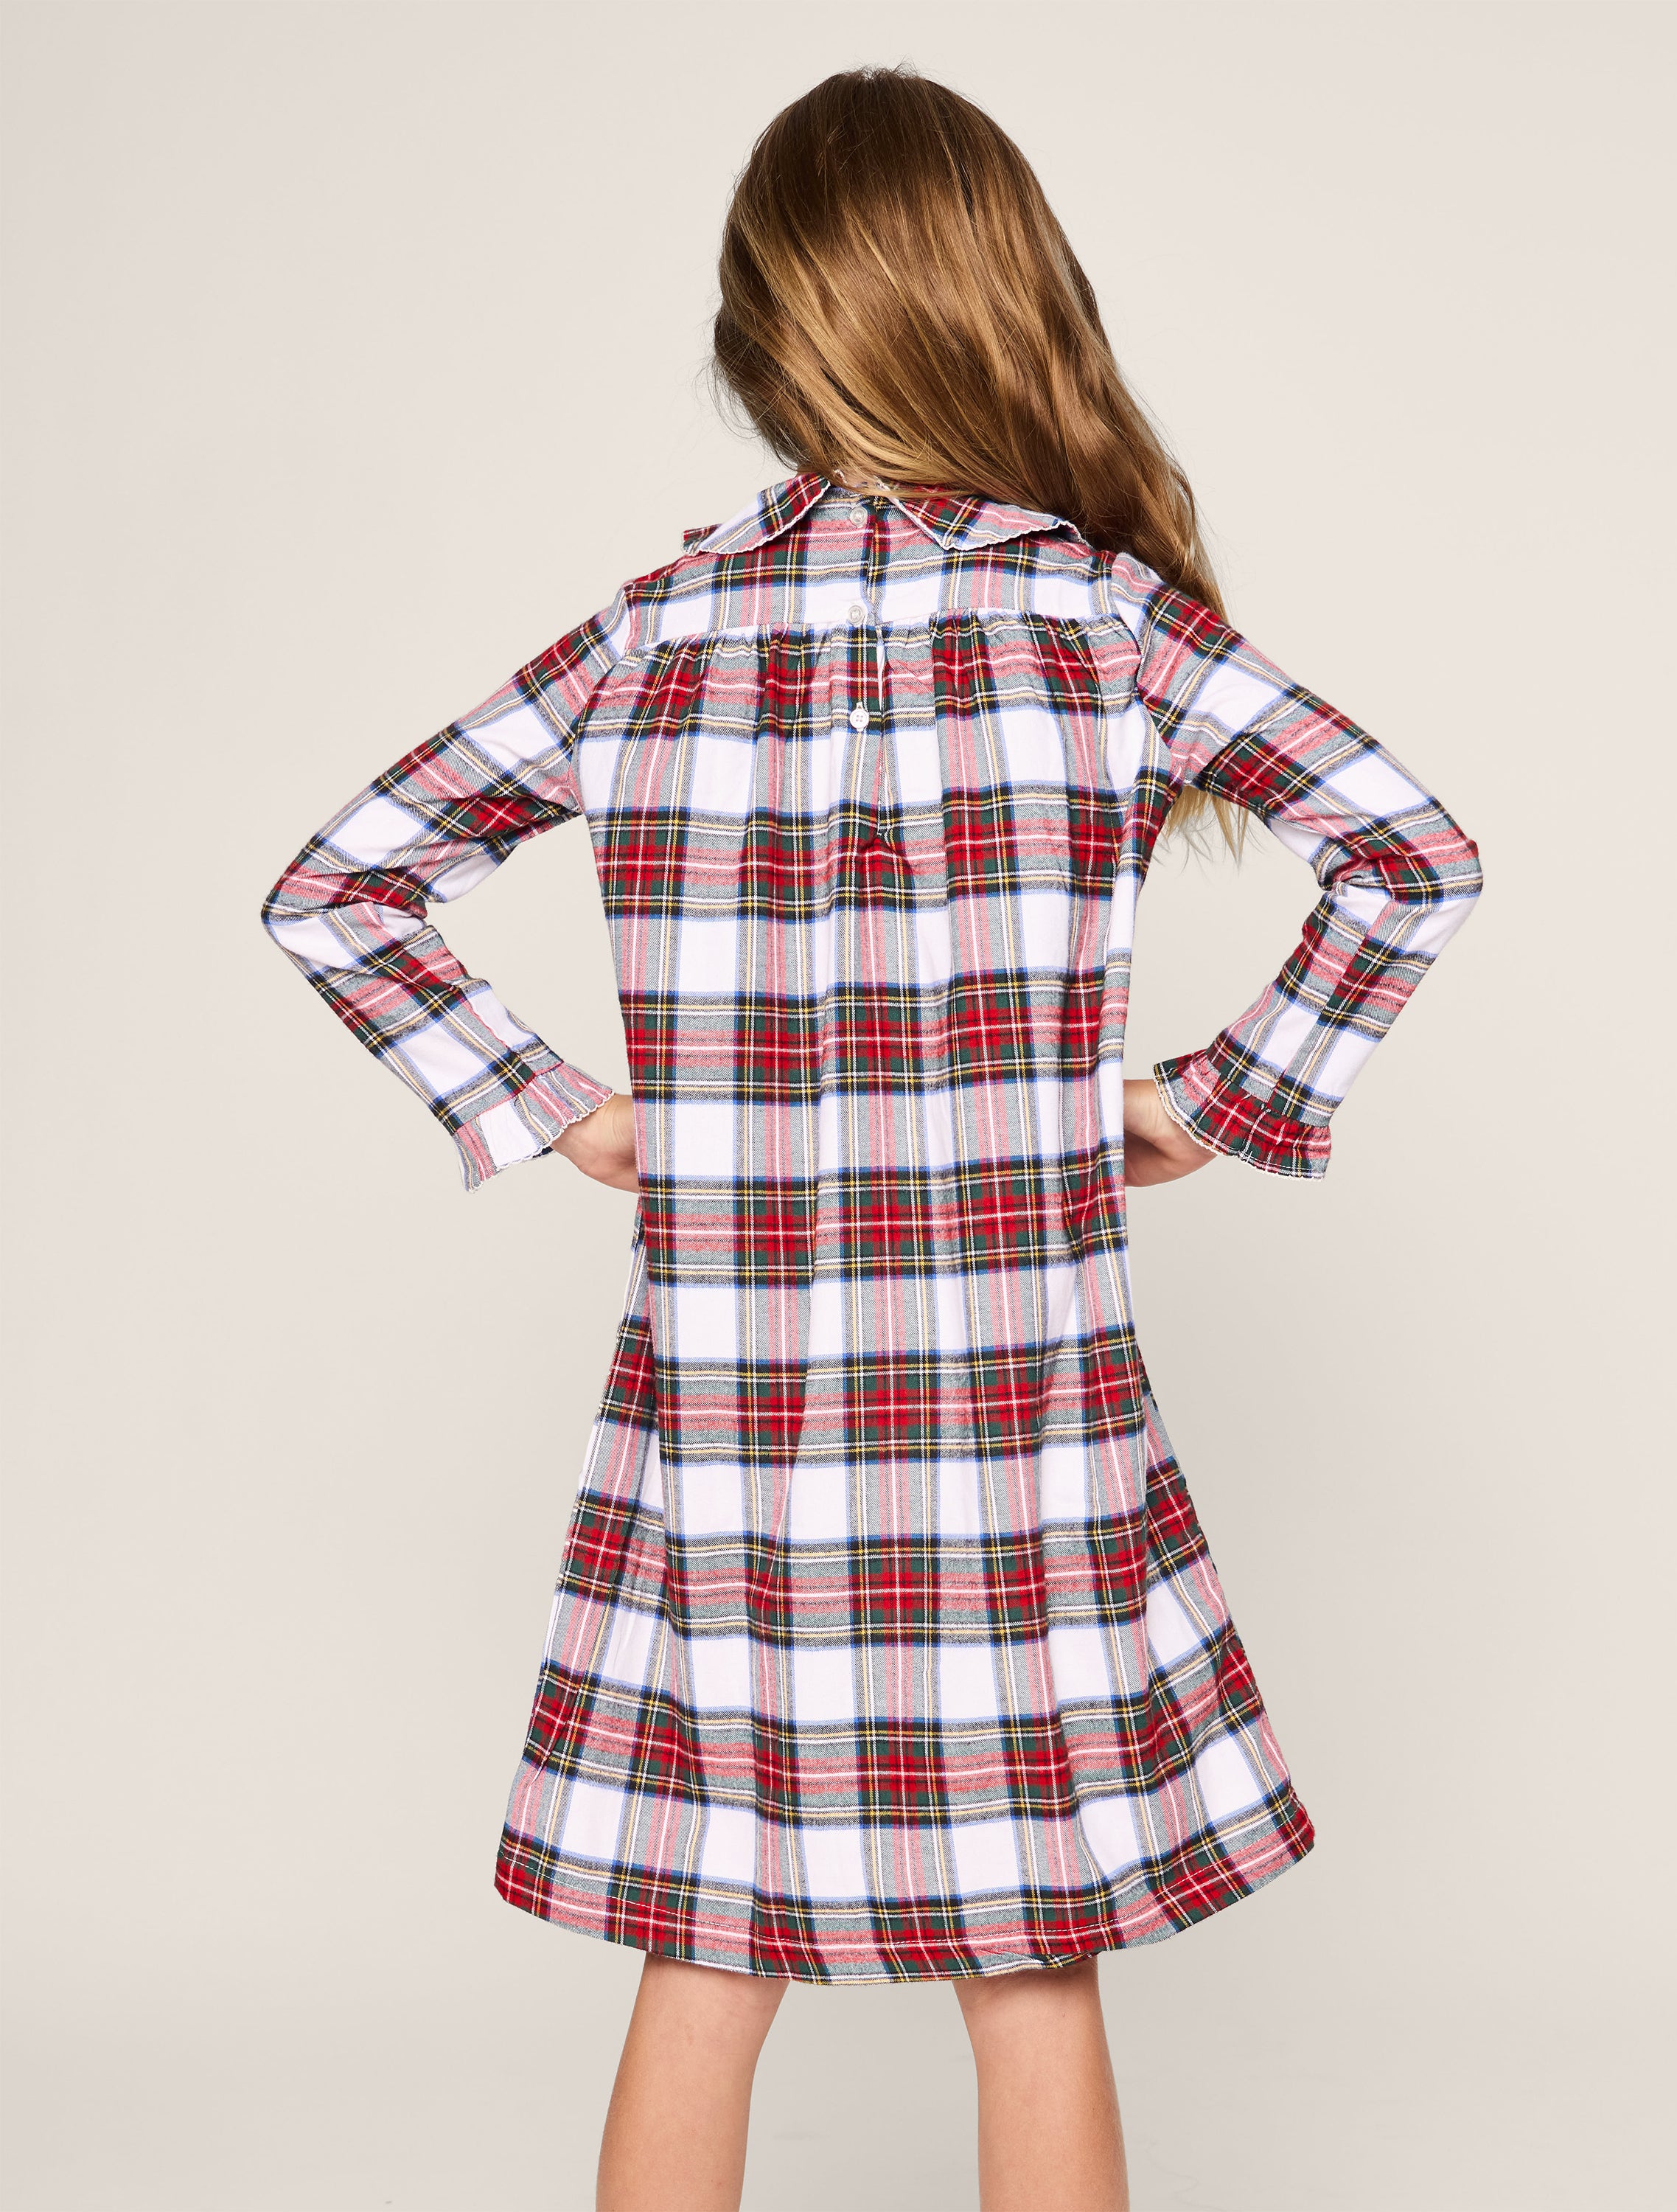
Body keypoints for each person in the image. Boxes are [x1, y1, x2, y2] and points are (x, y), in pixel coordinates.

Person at [261, 64, 1482, 2212]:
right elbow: (1412, 854)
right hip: (1016, 1415)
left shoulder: (653, 629)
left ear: (764, 334)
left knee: (706, 1951)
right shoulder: (1104, 624)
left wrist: (559, 1115)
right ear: (1012, 300)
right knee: (1031, 1968)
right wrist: (1214, 1104)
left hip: (730, 1419)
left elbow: (341, 886)